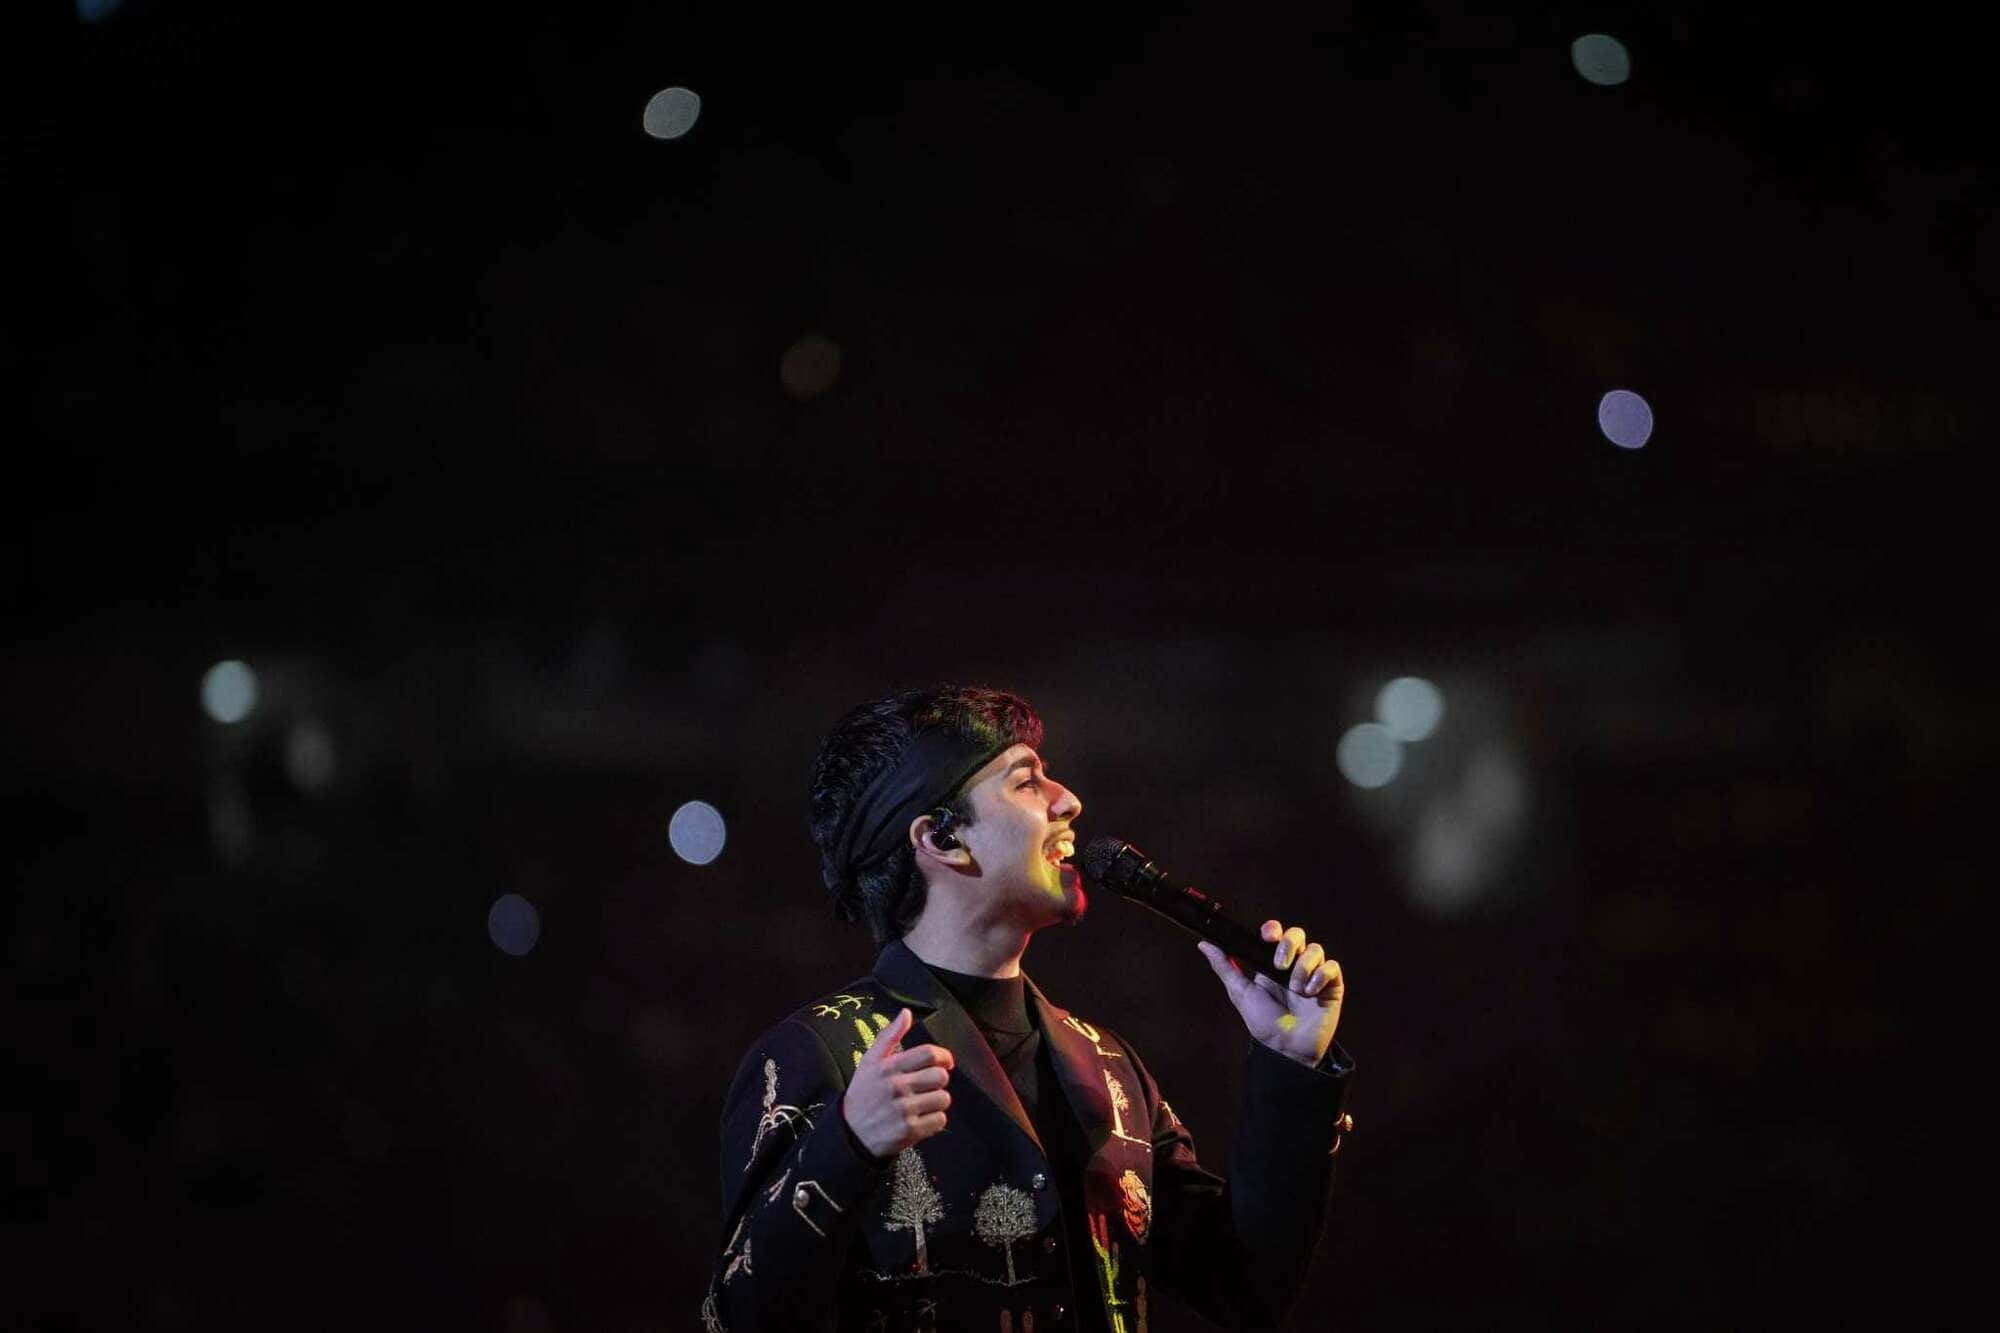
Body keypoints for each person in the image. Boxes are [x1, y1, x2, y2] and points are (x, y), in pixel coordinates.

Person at [703, 686, 1354, 1332]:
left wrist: (1291, 1064)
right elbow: (736, 1318)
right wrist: (847, 1145)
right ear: (942, 838)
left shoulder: (1108, 1064)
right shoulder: (819, 1054)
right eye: (1025, 781)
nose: (1067, 800)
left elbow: (1244, 1286)